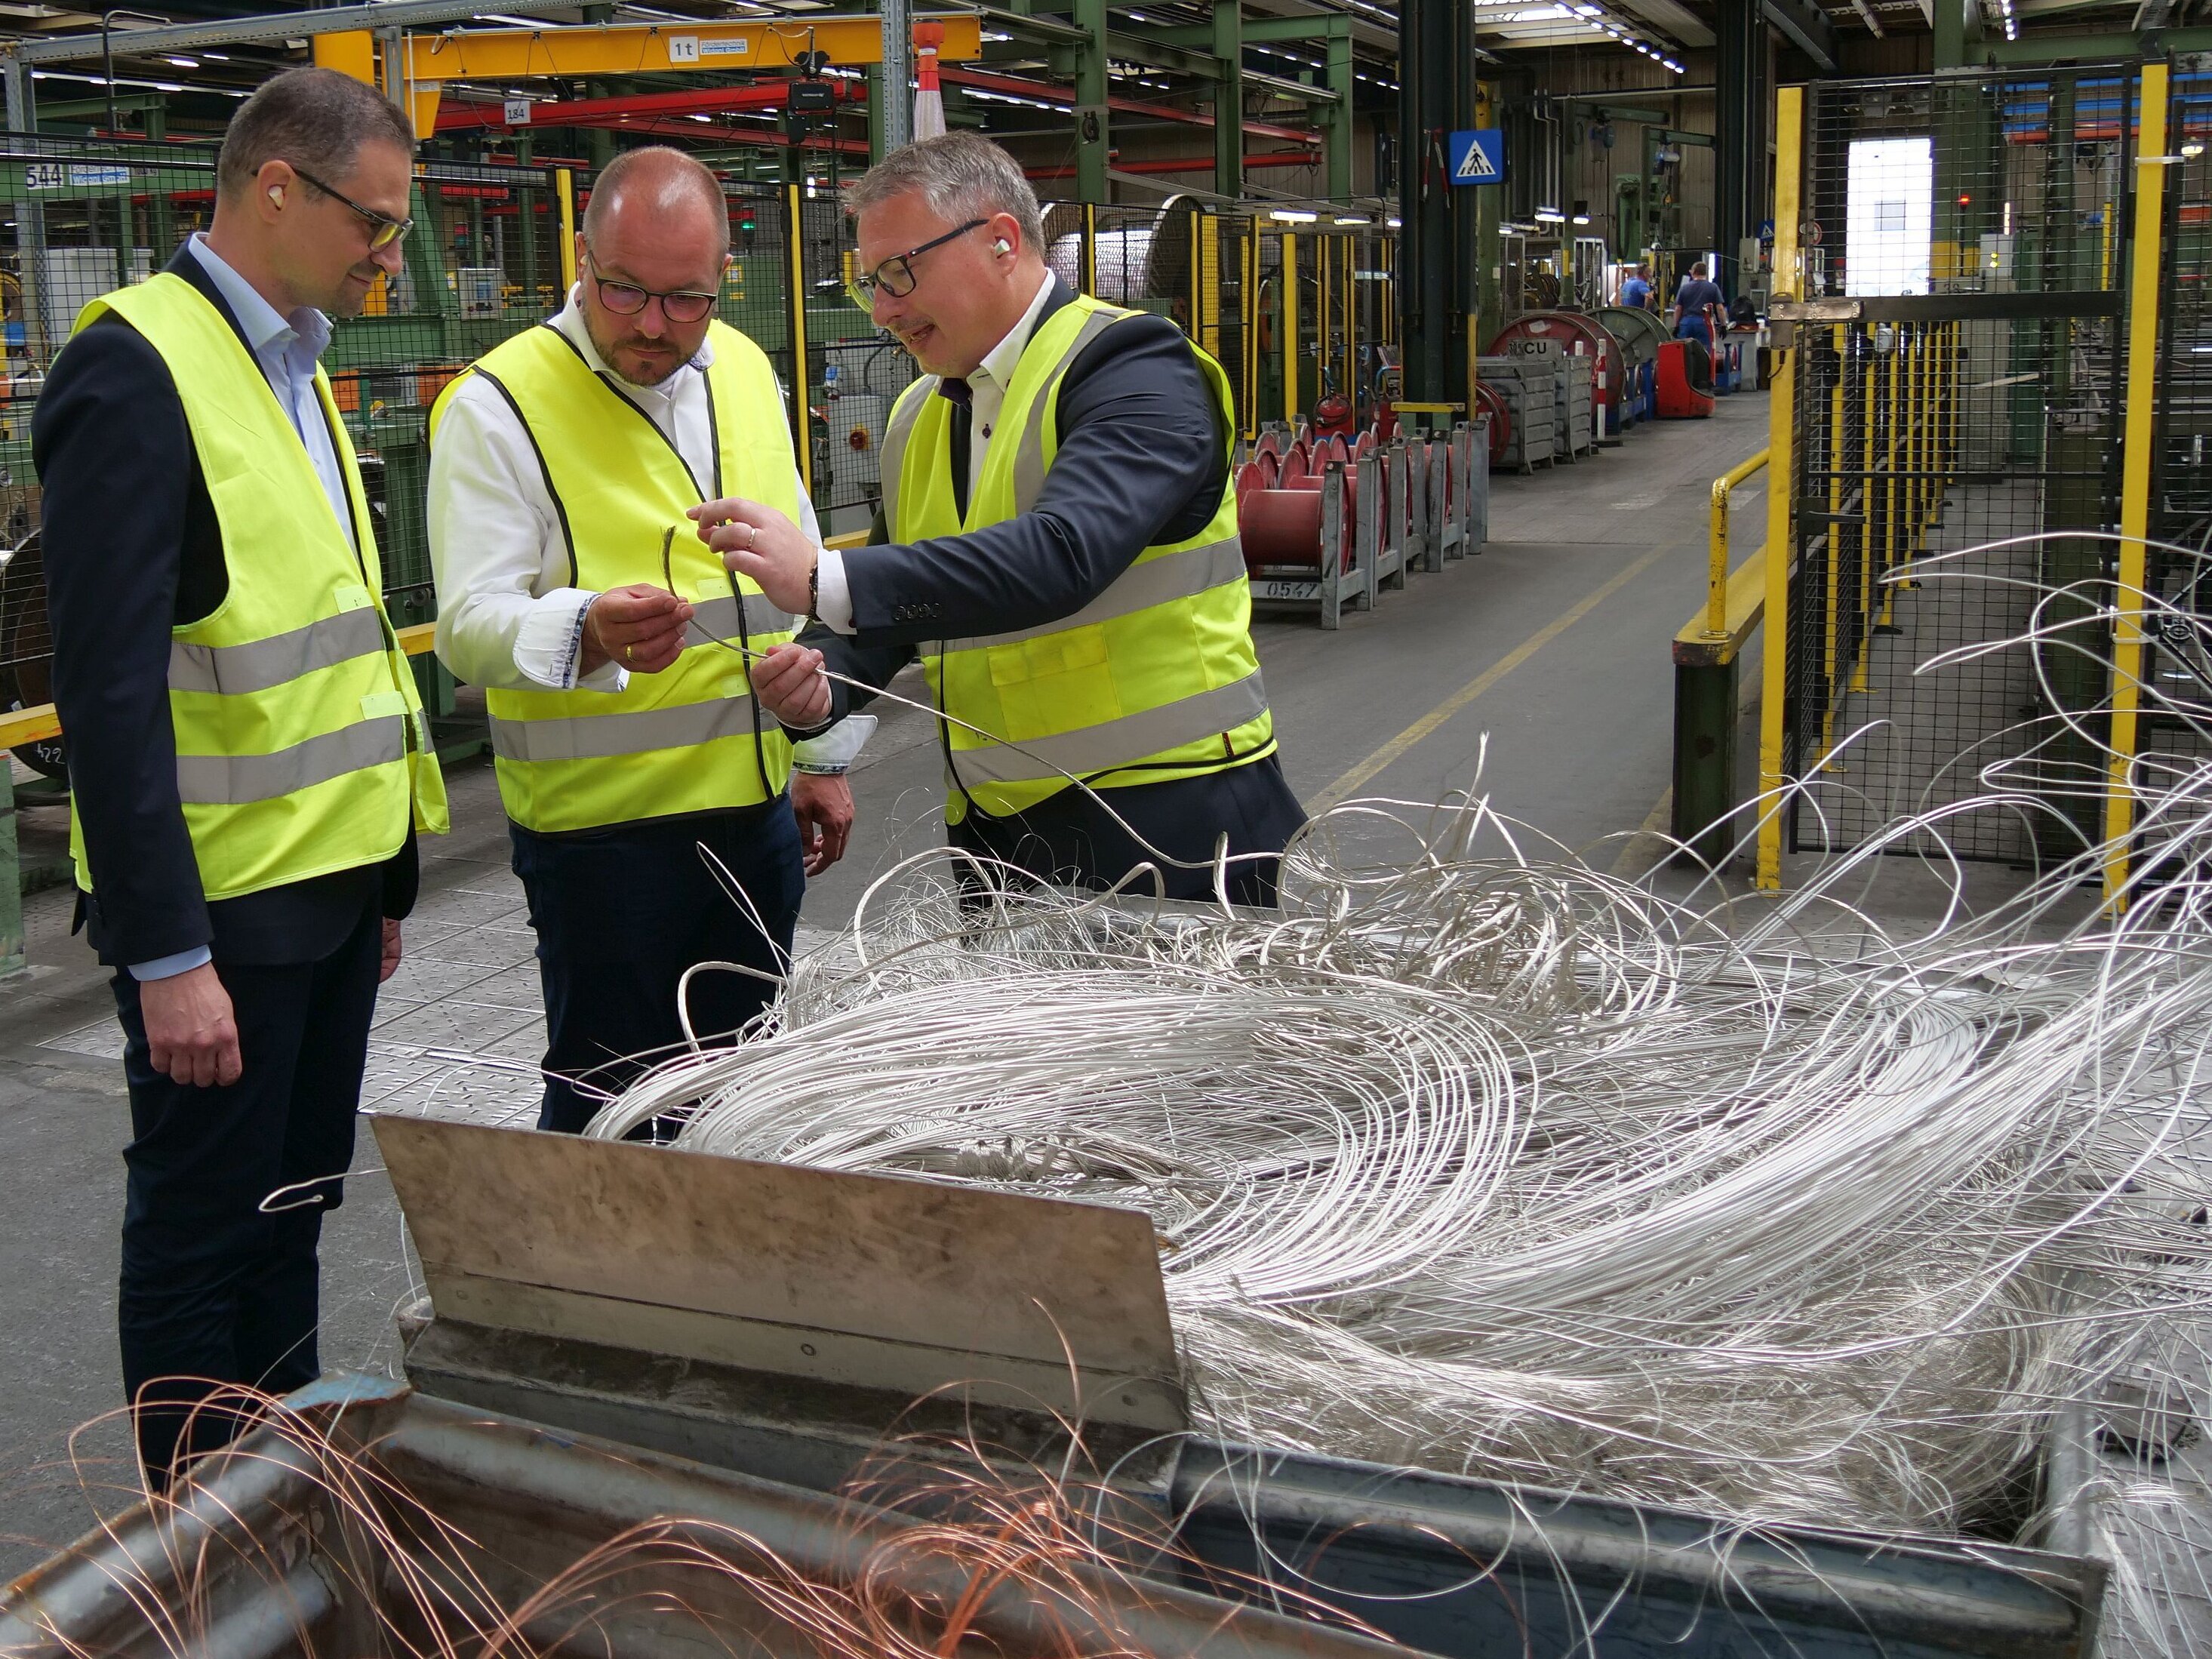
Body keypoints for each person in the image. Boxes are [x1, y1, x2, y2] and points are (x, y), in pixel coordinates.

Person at [33, 66, 449, 1486]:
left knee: (291, 1207)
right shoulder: (135, 365)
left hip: (325, 894)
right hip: (221, 918)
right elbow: (105, 693)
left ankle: (280, 1495)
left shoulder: (291, 360)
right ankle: (200, 1548)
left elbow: (324, 638)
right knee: (207, 1230)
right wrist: (164, 953)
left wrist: (382, 877)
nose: (388, 254)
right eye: (373, 223)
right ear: (278, 184)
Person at [696, 133, 1304, 908]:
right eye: (869, 284)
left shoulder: (1136, 367)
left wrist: (819, 575)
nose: (883, 310)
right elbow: (898, 599)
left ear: (1001, 242)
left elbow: (1064, 553)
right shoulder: (919, 412)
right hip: (1000, 834)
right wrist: (824, 685)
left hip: (1168, 818)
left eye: (899, 274)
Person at [428, 147, 857, 1132]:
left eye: (685, 299)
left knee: (736, 1097)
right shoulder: (498, 407)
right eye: (623, 290)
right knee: (610, 1111)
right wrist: (584, 628)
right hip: (601, 847)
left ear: (721, 285)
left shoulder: (744, 368)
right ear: (580, 258)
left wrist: (818, 748)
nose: (652, 326)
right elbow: (467, 629)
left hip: (753, 825)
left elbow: (789, 591)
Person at [1672, 262, 1727, 346]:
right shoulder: (1713, 287)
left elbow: (1678, 309)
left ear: (1693, 272)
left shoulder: (1684, 288)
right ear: (1706, 272)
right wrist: (1723, 325)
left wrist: (1676, 326)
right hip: (1704, 323)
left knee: (1684, 353)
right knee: (1704, 353)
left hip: (1686, 323)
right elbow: (1720, 308)